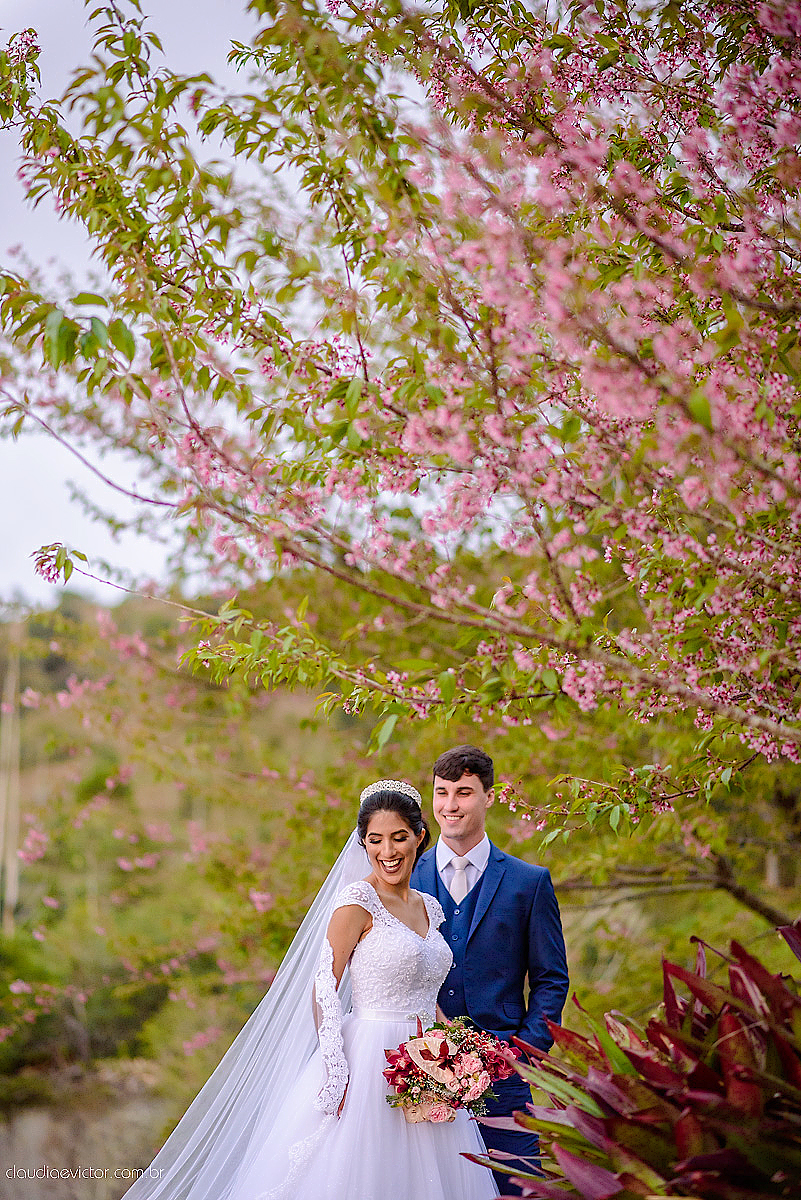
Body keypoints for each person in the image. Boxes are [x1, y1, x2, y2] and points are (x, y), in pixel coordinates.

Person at [121, 780, 498, 1200]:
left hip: (429, 1064)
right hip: (371, 1057)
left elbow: (428, 995)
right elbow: (323, 986)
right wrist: (337, 1071)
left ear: (419, 837)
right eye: (375, 840)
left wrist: (459, 1050)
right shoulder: (356, 902)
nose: (387, 852)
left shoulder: (429, 907)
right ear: (363, 843)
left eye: (398, 838)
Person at [412, 746, 569, 1196]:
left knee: (515, 1190)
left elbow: (551, 979)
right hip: (423, 1069)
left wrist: (522, 1054)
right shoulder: (405, 878)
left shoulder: (528, 882)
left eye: (463, 792)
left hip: (505, 1075)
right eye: (441, 793)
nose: (450, 806)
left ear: (489, 797)